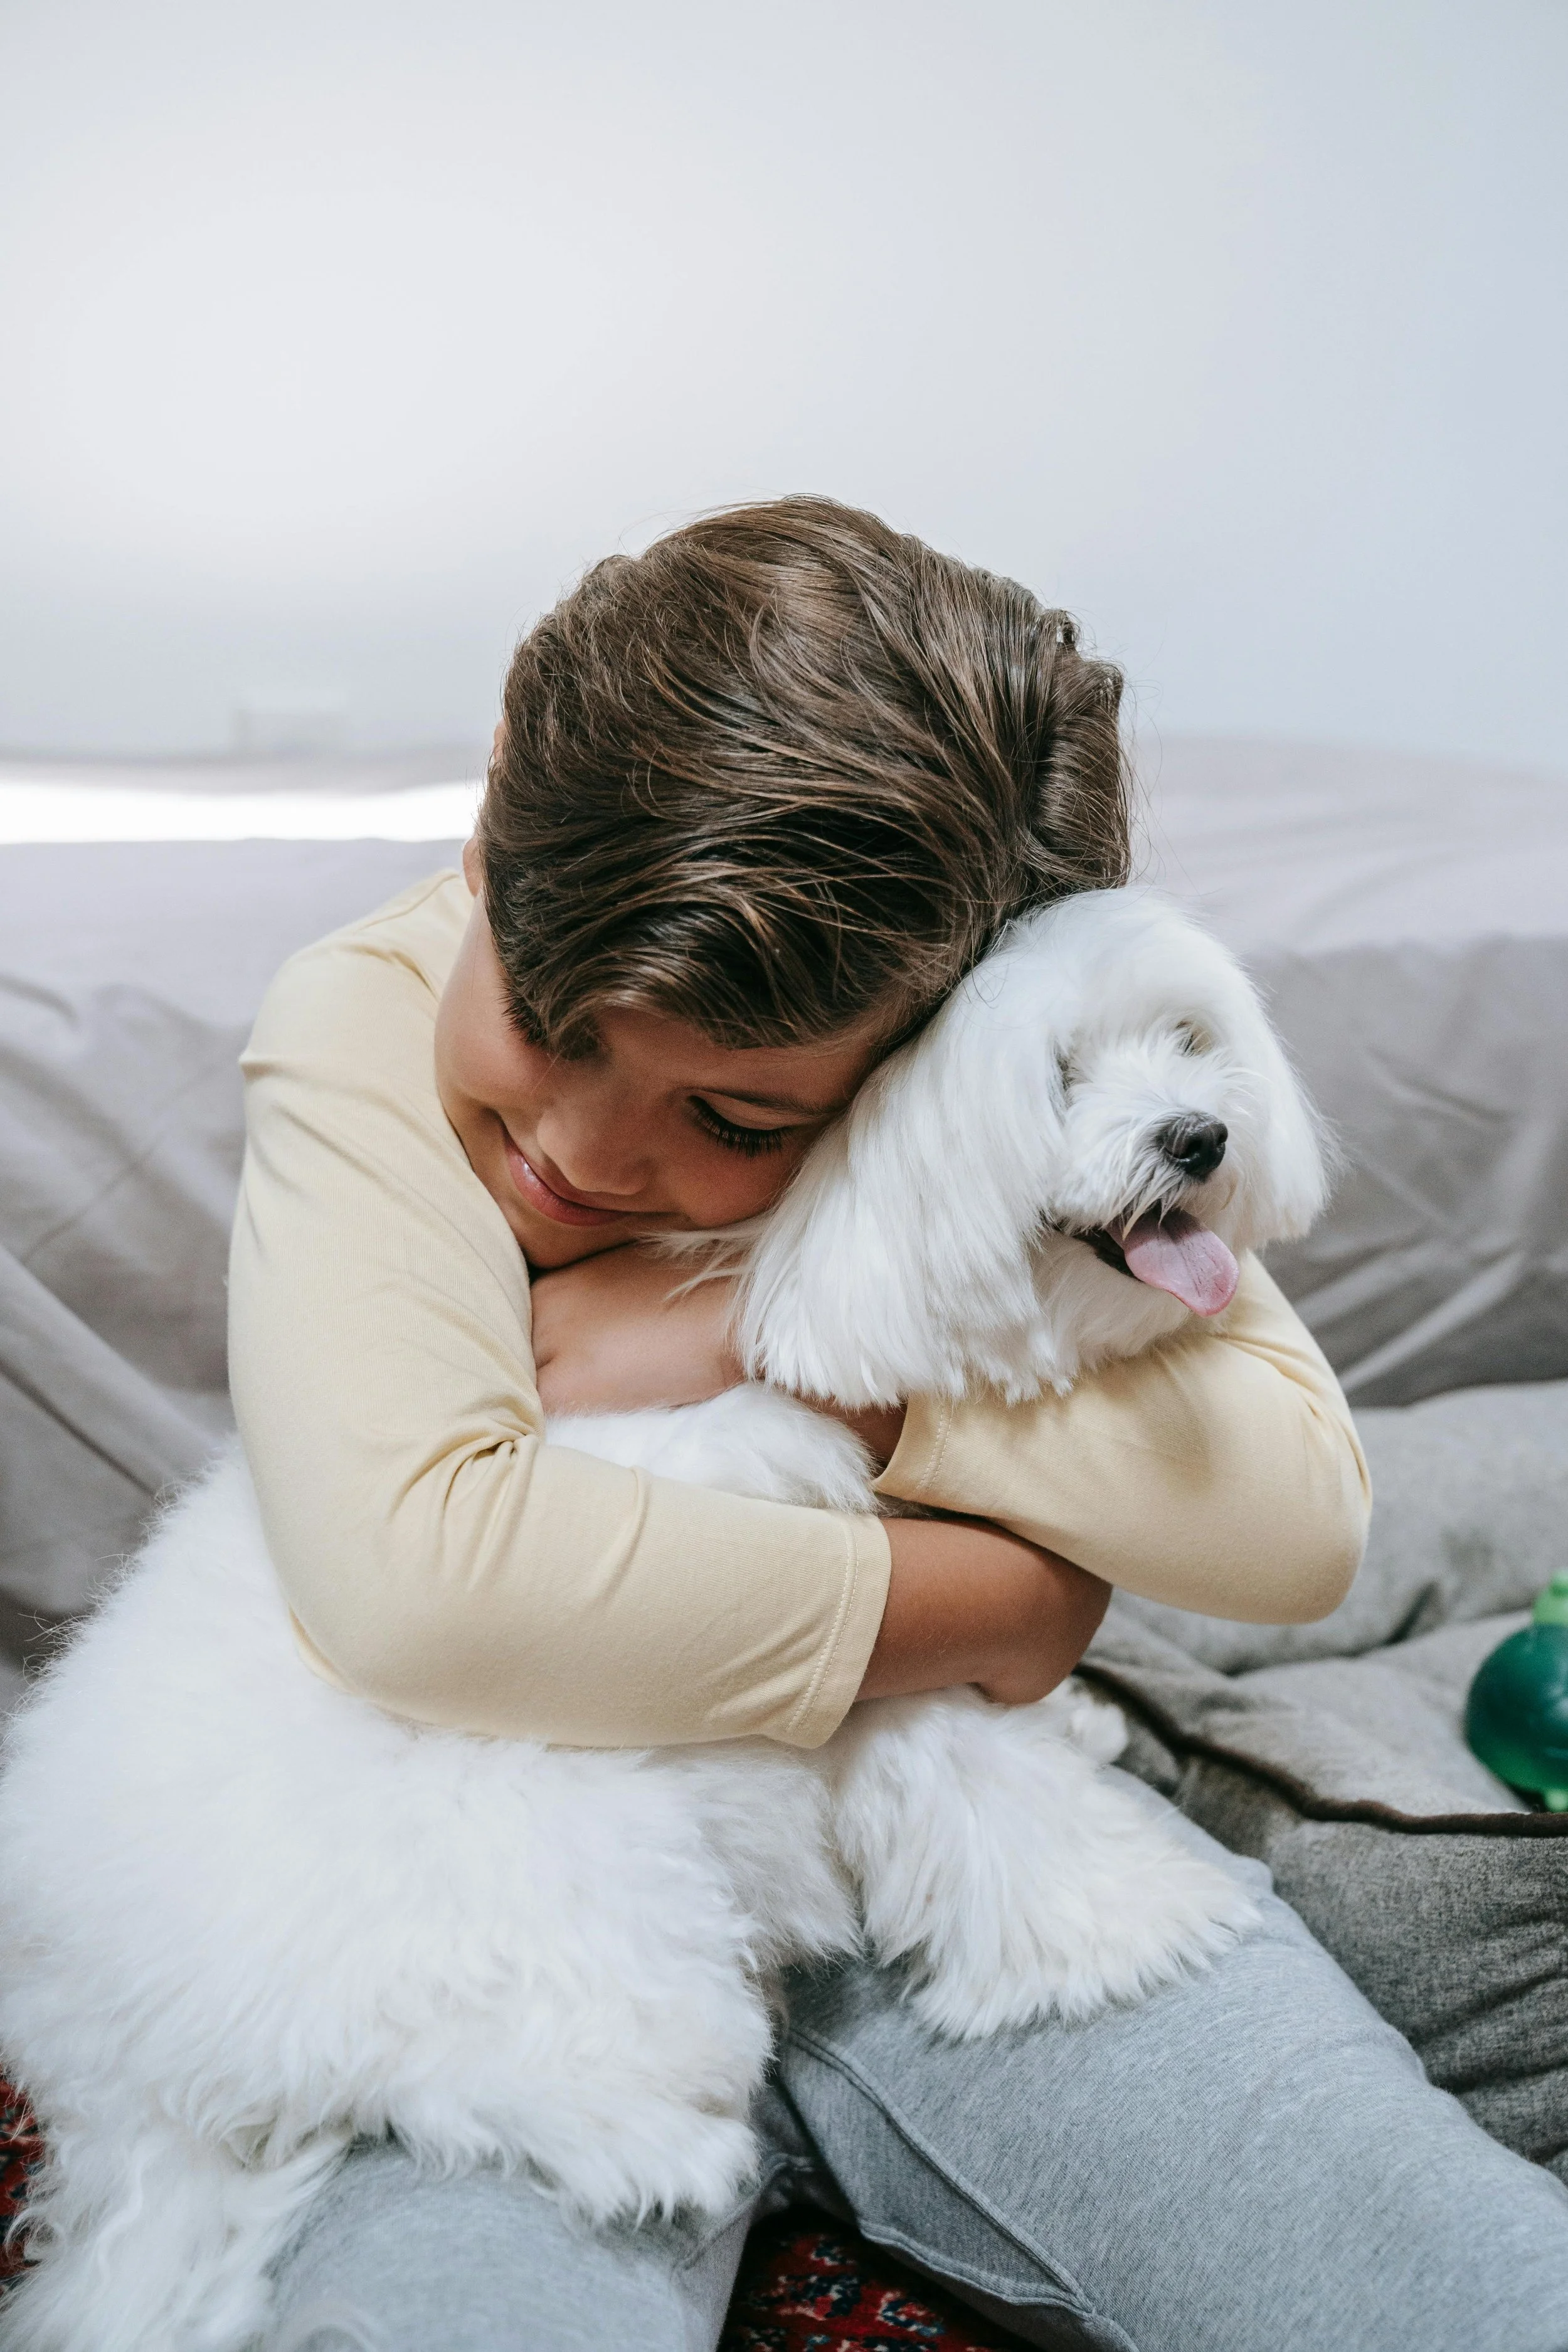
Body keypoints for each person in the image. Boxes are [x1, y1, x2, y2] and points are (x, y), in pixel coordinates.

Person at [232, 499, 1568, 2352]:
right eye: (553, 1019)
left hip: (965, 1842)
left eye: (739, 1122)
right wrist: (994, 1605)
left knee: (1454, 2276)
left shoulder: (991, 1063)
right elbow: (424, 1595)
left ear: (950, 1026)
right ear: (484, 842)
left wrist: (769, 1341)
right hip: (517, 1919)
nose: (593, 1160)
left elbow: (1290, 1517)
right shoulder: (360, 1024)